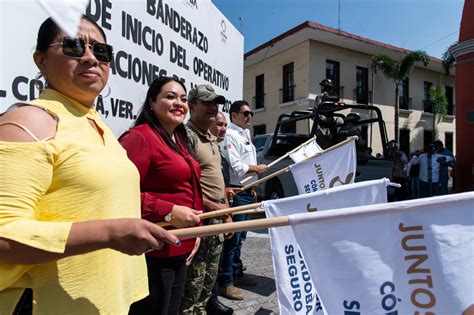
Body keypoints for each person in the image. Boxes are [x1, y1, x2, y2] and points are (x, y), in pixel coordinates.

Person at [0, 16, 179, 314]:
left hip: (112, 301)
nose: (89, 58)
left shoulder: (98, 125)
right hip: (49, 304)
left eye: (101, 52)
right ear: (41, 60)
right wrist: (109, 233)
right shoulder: (28, 121)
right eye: (73, 46)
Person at [119, 77, 203, 315]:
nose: (179, 103)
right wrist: (167, 210)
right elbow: (118, 194)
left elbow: (190, 189)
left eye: (184, 99)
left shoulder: (180, 139)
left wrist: (197, 230)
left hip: (180, 247)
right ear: (152, 102)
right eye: (170, 96)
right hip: (153, 251)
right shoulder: (139, 137)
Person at [181, 85, 233, 314]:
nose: (213, 108)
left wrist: (227, 214)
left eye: (216, 103)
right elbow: (186, 187)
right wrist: (216, 208)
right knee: (193, 286)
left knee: (208, 283)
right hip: (201, 220)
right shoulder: (185, 136)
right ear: (192, 106)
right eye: (207, 103)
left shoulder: (211, 139)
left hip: (217, 221)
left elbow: (219, 183)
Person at [218, 101, 268, 300]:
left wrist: (254, 186)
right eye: (245, 113)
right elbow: (237, 167)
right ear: (234, 116)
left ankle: (237, 274)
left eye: (251, 113)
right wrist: (257, 169)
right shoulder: (230, 134)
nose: (249, 117)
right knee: (233, 240)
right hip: (238, 193)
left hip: (247, 191)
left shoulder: (244, 134)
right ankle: (226, 283)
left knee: (242, 239)